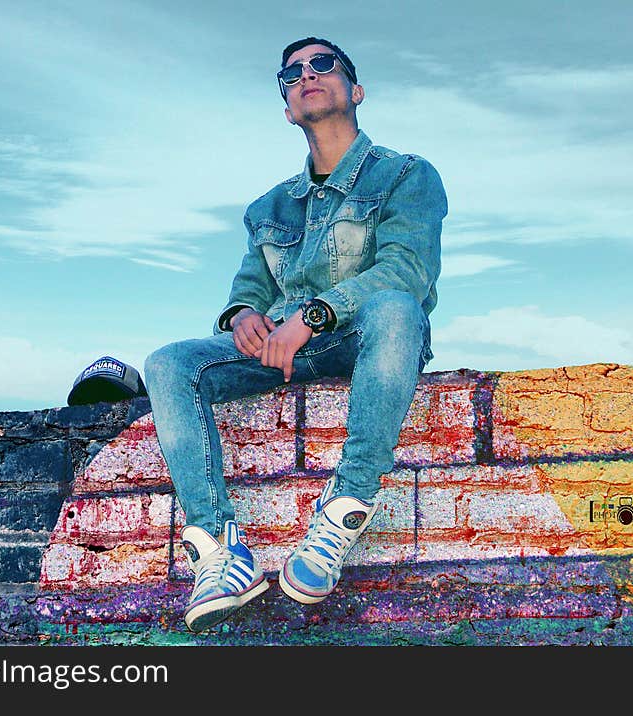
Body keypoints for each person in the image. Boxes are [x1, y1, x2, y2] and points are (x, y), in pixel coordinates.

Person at [144, 36, 448, 632]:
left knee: (396, 307)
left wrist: (309, 318)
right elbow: (247, 290)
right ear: (287, 106)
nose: (306, 74)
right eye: (291, 73)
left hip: (368, 338)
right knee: (168, 363)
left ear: (354, 91)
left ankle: (344, 509)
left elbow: (406, 273)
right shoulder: (268, 207)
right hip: (283, 352)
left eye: (321, 65)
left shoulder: (407, 174)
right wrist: (242, 318)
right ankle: (219, 549)